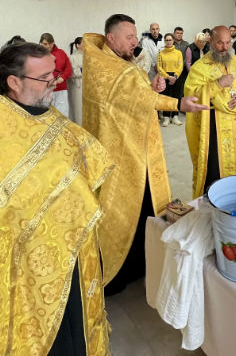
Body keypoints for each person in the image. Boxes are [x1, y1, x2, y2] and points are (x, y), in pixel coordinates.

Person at [0, 42, 113, 355]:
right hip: (39, 258)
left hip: (74, 237)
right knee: (56, 330)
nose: (56, 81)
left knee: (78, 315)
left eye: (55, 73)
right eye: (46, 77)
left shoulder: (41, 110)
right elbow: (6, 210)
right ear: (14, 82)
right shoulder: (0, 134)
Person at [81, 15, 207, 294]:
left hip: (138, 145)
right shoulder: (106, 68)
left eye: (135, 36)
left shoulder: (115, 62)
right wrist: (178, 104)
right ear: (111, 38)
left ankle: (143, 262)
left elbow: (135, 96)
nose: (134, 41)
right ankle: (118, 272)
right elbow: (133, 98)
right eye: (129, 37)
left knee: (145, 204)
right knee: (124, 209)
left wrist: (152, 87)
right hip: (121, 152)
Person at [184, 26, 236, 197]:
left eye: (228, 43)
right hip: (214, 129)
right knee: (214, 175)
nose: (225, 47)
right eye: (220, 43)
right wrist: (217, 85)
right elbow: (191, 97)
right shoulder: (199, 67)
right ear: (210, 41)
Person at [39, 32, 73, 118]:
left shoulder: (61, 53)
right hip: (45, 89)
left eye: (46, 44)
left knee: (62, 113)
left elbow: (68, 69)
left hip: (60, 89)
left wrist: (63, 77)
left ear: (52, 43)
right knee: (45, 114)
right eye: (43, 44)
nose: (44, 46)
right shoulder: (38, 55)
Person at [157, 33, 184, 126]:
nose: (168, 42)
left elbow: (180, 66)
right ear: (164, 41)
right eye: (167, 40)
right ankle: (166, 117)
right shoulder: (161, 53)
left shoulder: (178, 53)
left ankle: (175, 116)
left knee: (176, 96)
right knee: (166, 97)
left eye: (170, 40)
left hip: (176, 77)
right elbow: (159, 67)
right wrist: (168, 77)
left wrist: (175, 76)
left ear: (173, 41)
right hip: (165, 77)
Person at [68, 36, 84, 125]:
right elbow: (72, 72)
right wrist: (85, 70)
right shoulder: (72, 57)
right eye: (84, 43)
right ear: (78, 45)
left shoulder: (89, 57)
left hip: (87, 86)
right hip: (78, 87)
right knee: (79, 108)